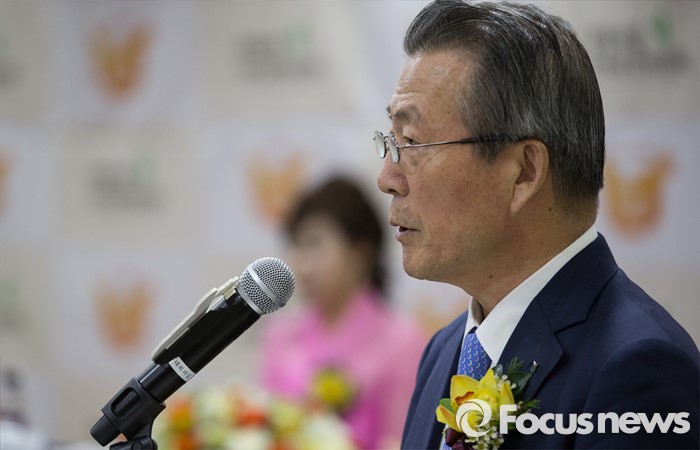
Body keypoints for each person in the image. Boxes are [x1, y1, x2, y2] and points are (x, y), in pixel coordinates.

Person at [374, 1, 699, 449]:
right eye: (391, 141)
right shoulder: (444, 352)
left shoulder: (638, 369)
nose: (387, 178)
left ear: (524, 172)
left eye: (412, 142)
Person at [259, 175, 427, 449]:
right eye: (297, 245)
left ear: (361, 253)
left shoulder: (402, 341)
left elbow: (405, 441)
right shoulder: (281, 335)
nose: (303, 263)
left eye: (315, 244)